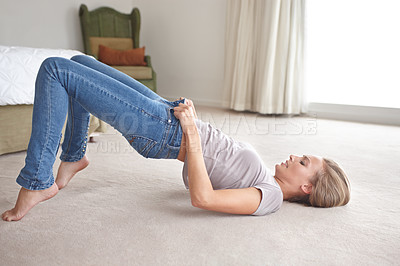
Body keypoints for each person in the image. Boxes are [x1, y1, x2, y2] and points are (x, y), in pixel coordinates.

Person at [1, 55, 351, 222]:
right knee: (79, 61)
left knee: (55, 69)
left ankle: (37, 181)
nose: (295, 156)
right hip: (170, 116)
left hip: (162, 131)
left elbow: (203, 198)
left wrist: (191, 131)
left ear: (307, 188)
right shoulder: (266, 179)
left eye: (303, 163)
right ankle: (74, 156)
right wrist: (190, 120)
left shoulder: (270, 197)